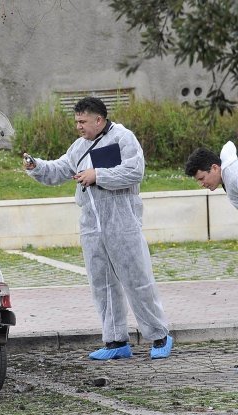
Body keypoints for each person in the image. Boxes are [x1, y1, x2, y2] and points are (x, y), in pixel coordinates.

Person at [23, 96, 173, 360]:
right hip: (92, 225)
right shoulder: (78, 146)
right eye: (76, 121)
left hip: (122, 223)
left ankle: (159, 335)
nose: (79, 126)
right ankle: (116, 342)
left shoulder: (123, 138)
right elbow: (60, 169)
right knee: (102, 283)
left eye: (83, 121)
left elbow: (134, 171)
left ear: (99, 119)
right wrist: (37, 166)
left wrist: (98, 176)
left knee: (137, 280)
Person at [184, 143, 238, 210]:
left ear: (215, 168)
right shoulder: (227, 177)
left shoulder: (233, 176)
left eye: (202, 178)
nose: (201, 184)